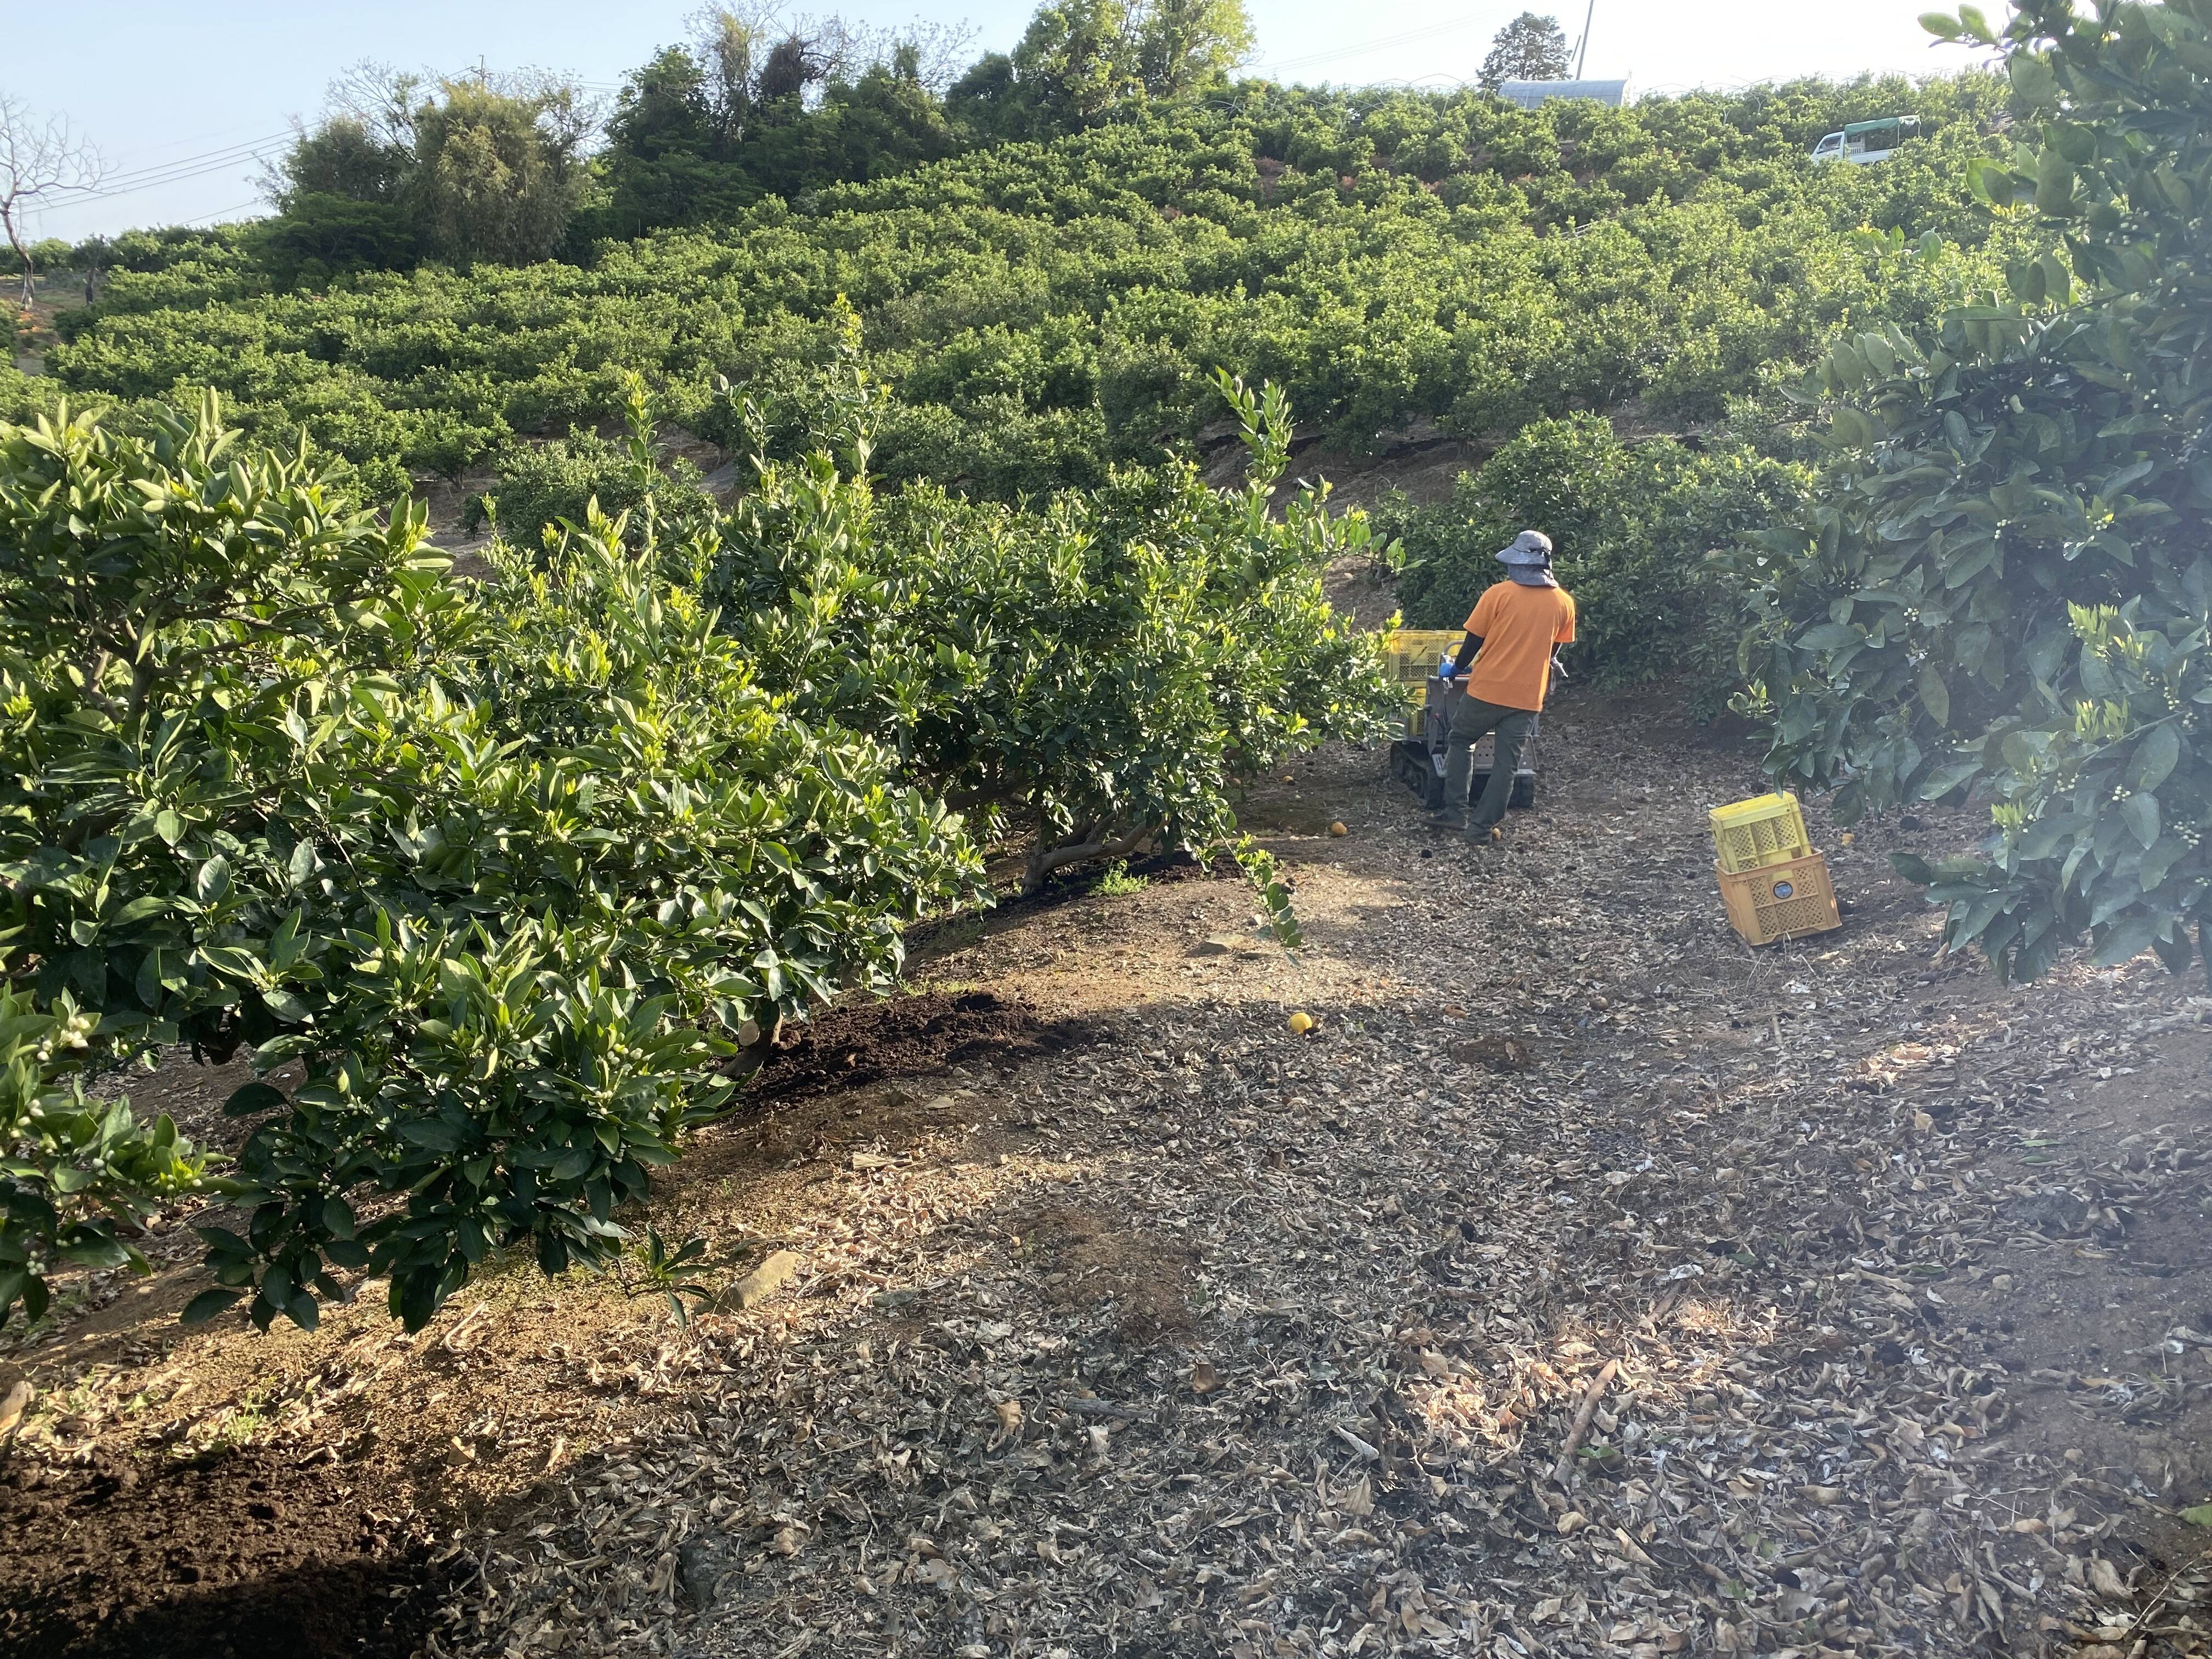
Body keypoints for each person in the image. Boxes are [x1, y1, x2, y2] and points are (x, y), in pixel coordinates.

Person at [1426, 529, 1576, 843]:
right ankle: (1480, 829)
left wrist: (1455, 669)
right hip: (1527, 698)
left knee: (1461, 739)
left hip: (1487, 690)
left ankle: (1455, 813)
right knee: (1507, 765)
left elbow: (1473, 641)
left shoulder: (1498, 594)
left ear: (1518, 563)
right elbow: (1552, 650)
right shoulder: (1564, 603)